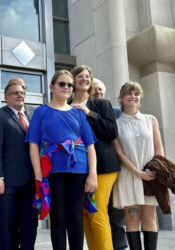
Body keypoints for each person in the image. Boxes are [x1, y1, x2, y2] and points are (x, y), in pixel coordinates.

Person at [26, 70, 97, 250]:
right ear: (52, 86)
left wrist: (93, 175)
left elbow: (90, 146)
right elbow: (33, 144)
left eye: (70, 85)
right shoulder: (41, 111)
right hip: (52, 170)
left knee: (75, 217)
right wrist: (38, 173)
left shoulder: (79, 113)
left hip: (79, 170)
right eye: (62, 84)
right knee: (58, 216)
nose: (67, 87)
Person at [70, 65, 120, 250]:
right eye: (80, 76)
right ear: (73, 80)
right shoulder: (66, 104)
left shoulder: (101, 104)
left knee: (97, 212)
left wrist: (89, 113)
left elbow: (112, 132)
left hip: (104, 166)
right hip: (77, 167)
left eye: (87, 76)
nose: (84, 79)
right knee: (84, 213)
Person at [112, 81, 164, 250]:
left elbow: (158, 147)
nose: (133, 97)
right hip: (128, 176)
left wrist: (157, 169)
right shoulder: (116, 125)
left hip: (151, 177)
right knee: (132, 219)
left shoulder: (151, 120)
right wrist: (137, 172)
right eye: (129, 93)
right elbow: (119, 153)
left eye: (136, 94)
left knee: (149, 219)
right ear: (121, 97)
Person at [0, 79, 38, 250]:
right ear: (6, 97)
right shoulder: (0, 117)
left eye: (22, 92)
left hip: (31, 182)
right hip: (7, 183)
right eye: (15, 93)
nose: (20, 95)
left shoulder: (33, 113)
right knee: (8, 229)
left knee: (29, 227)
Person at [91, 77, 127, 250]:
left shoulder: (116, 111)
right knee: (100, 208)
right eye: (94, 89)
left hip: (116, 164)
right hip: (97, 166)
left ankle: (119, 245)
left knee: (116, 209)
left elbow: (116, 134)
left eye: (100, 89)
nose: (97, 92)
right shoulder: (88, 109)